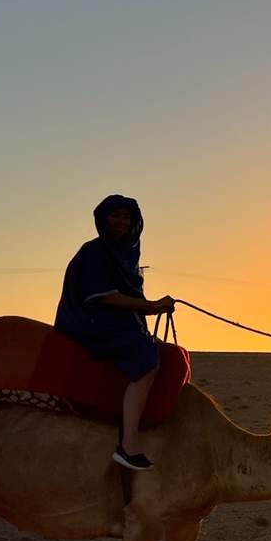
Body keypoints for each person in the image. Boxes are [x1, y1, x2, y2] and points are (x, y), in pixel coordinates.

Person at [55, 194, 175, 471]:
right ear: (103, 219)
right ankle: (128, 445)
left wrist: (153, 307)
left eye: (126, 217)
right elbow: (105, 297)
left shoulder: (127, 255)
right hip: (91, 321)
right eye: (115, 216)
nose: (121, 222)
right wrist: (151, 306)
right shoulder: (96, 251)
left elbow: (126, 298)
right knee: (147, 361)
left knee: (161, 352)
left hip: (117, 320)